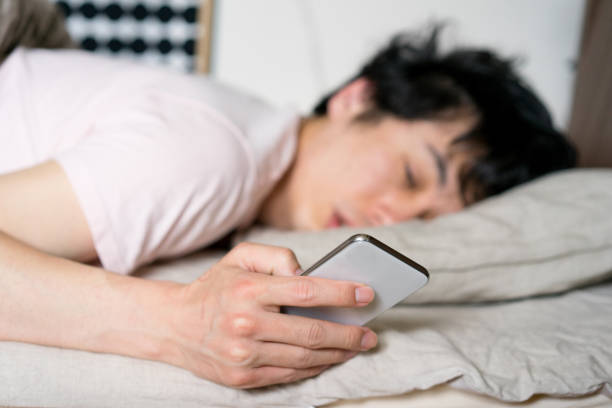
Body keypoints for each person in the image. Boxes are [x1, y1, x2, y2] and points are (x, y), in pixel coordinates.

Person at [0, 0, 575, 389]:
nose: (391, 215)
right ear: (357, 97)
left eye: (424, 217)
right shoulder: (211, 154)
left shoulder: (239, 142)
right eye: (410, 176)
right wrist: (178, 324)